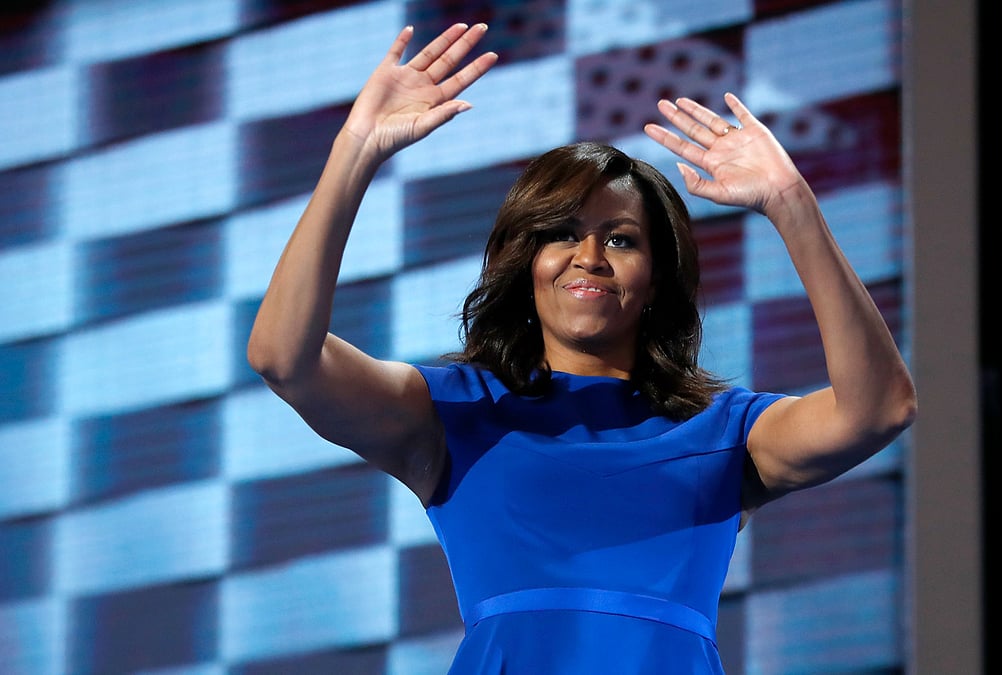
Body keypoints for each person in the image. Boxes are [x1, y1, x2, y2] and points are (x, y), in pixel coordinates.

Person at [247, 23, 916, 675]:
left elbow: (880, 407)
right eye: (562, 233)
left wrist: (791, 203)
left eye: (620, 239)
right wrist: (355, 149)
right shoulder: (453, 412)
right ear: (526, 261)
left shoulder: (725, 429)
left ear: (656, 277)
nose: (589, 257)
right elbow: (283, 355)